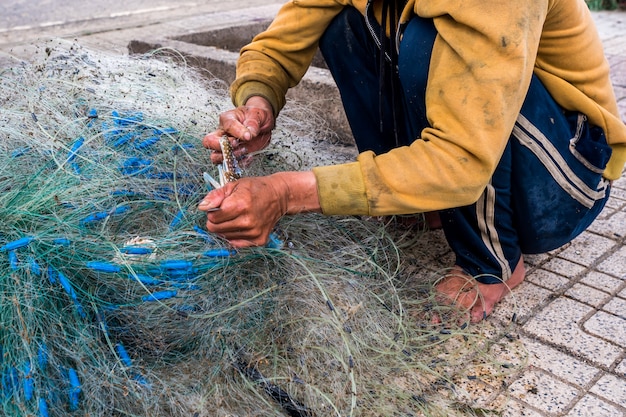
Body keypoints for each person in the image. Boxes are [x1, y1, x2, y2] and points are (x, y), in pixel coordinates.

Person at [199, 0, 626, 323]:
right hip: (495, 142)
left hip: (566, 178)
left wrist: (287, 193)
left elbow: (462, 156)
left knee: (426, 45)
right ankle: (422, 202)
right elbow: (283, 38)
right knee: (343, 27)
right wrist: (258, 102)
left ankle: (493, 264)